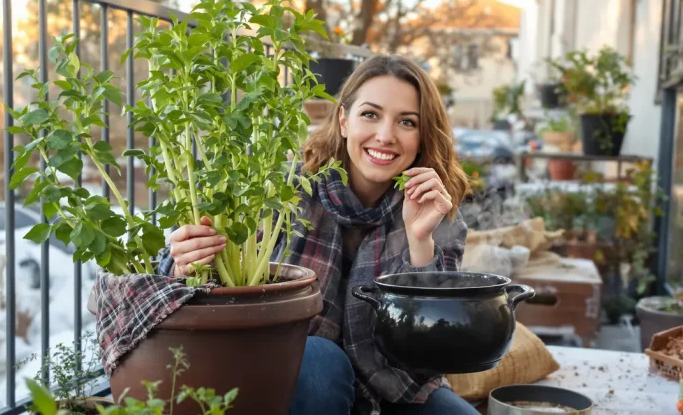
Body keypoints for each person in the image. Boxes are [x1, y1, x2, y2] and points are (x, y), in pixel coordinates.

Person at [164, 55, 479, 415]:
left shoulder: (439, 212)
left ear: (422, 136)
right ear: (344, 121)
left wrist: (420, 240)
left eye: (407, 122)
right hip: (288, 377)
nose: (386, 136)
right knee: (319, 361)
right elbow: (199, 283)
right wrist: (184, 262)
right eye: (370, 114)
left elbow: (436, 342)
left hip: (395, 385)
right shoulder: (284, 190)